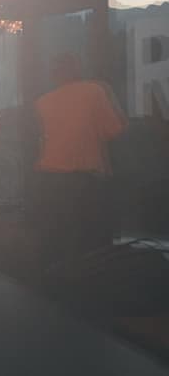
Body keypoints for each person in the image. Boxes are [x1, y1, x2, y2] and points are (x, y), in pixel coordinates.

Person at [32, 52, 127, 269]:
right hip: (85, 179)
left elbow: (40, 141)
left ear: (54, 74)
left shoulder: (42, 102)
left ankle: (54, 283)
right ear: (77, 69)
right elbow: (114, 130)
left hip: (49, 178)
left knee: (57, 238)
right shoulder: (94, 91)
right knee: (92, 243)